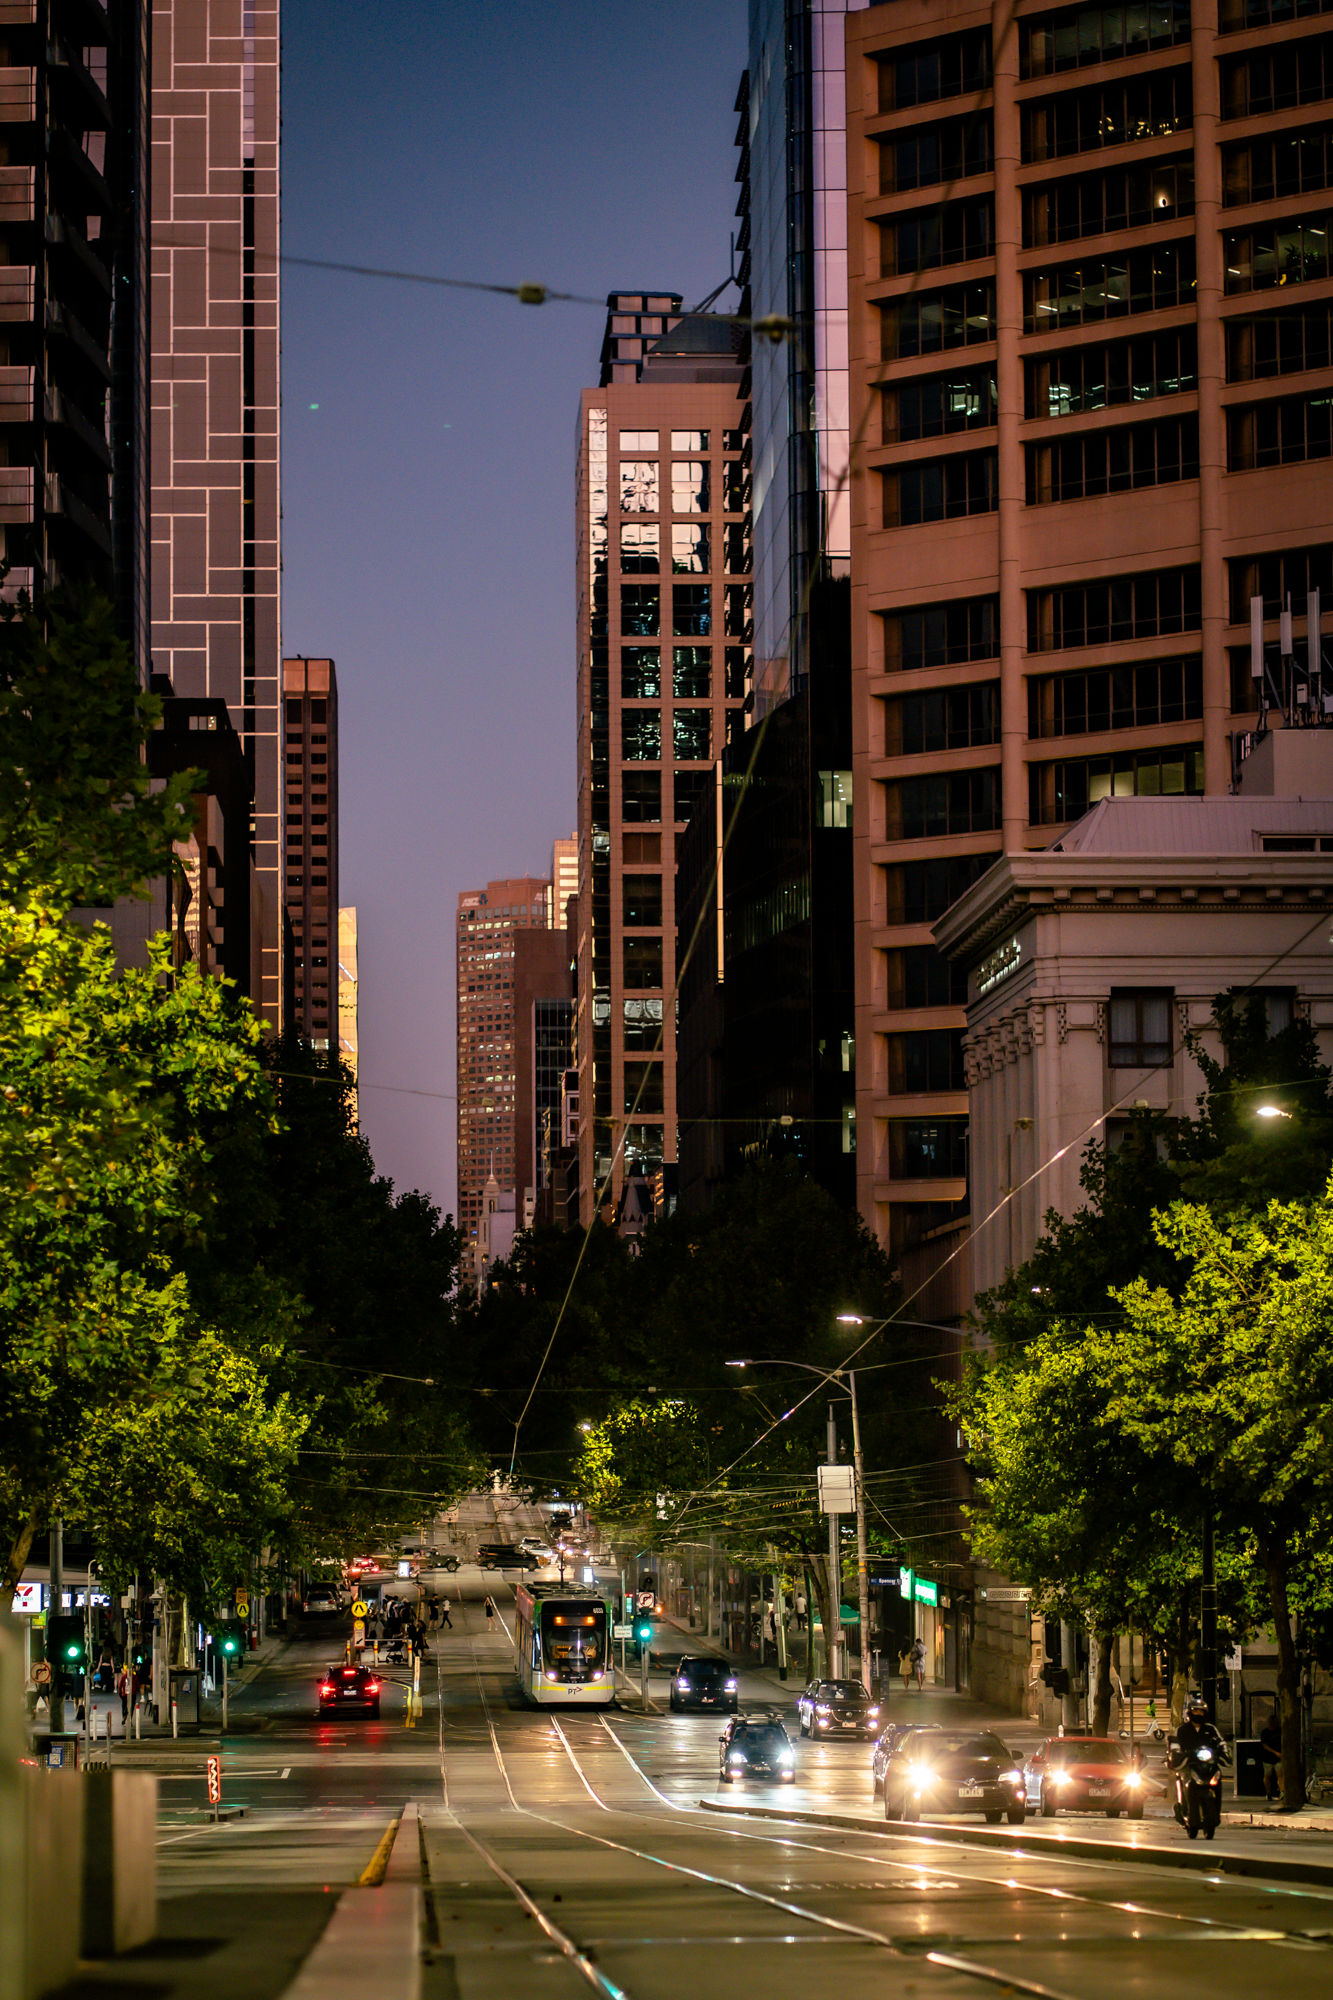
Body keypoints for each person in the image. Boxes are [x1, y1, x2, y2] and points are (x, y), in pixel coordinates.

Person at [1259, 1711, 1282, 1803]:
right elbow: (1264, 1745)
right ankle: (1268, 1793)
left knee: (1280, 1775)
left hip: (1278, 1757)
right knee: (1267, 1775)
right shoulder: (1265, 1732)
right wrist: (1275, 1752)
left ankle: (1282, 1792)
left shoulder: (1280, 1731)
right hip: (1268, 1757)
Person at [116, 1662, 130, 1727]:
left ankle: (124, 1717)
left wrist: (120, 1694)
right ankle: (128, 1718)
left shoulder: (124, 1677)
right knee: (130, 1707)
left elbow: (120, 1686)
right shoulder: (133, 1676)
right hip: (131, 1694)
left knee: (124, 1706)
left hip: (124, 1694)